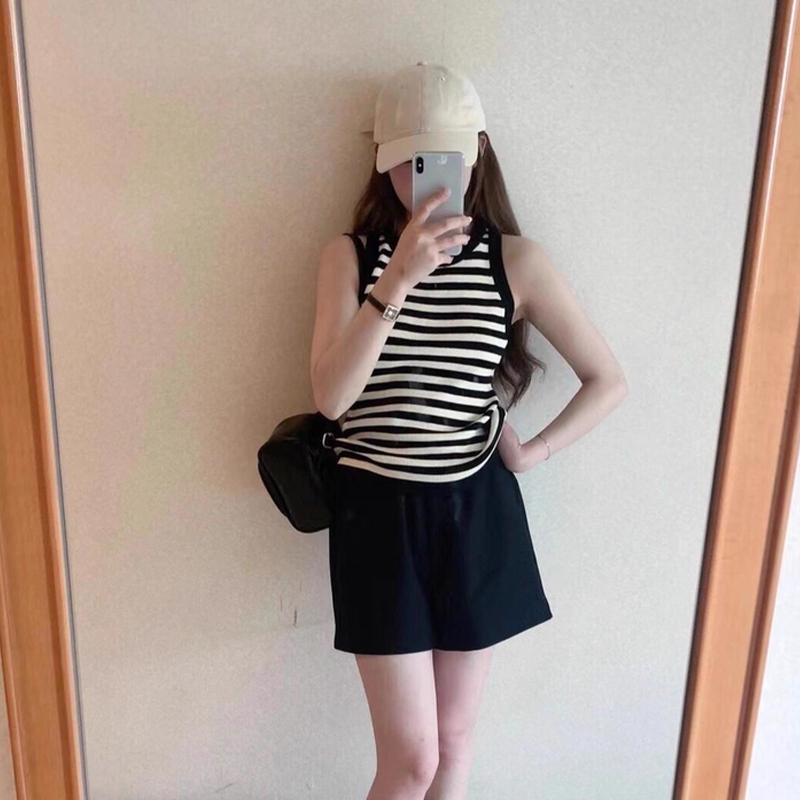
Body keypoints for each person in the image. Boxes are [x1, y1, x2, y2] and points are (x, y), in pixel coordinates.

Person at [309, 61, 628, 800]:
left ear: (476, 152)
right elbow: (331, 398)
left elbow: (607, 379)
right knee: (411, 761)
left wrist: (534, 452)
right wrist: (397, 280)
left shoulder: (515, 260)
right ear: (382, 159)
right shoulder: (349, 257)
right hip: (377, 517)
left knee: (453, 748)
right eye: (408, 162)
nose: (422, 178)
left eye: (442, 159)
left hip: (476, 511)